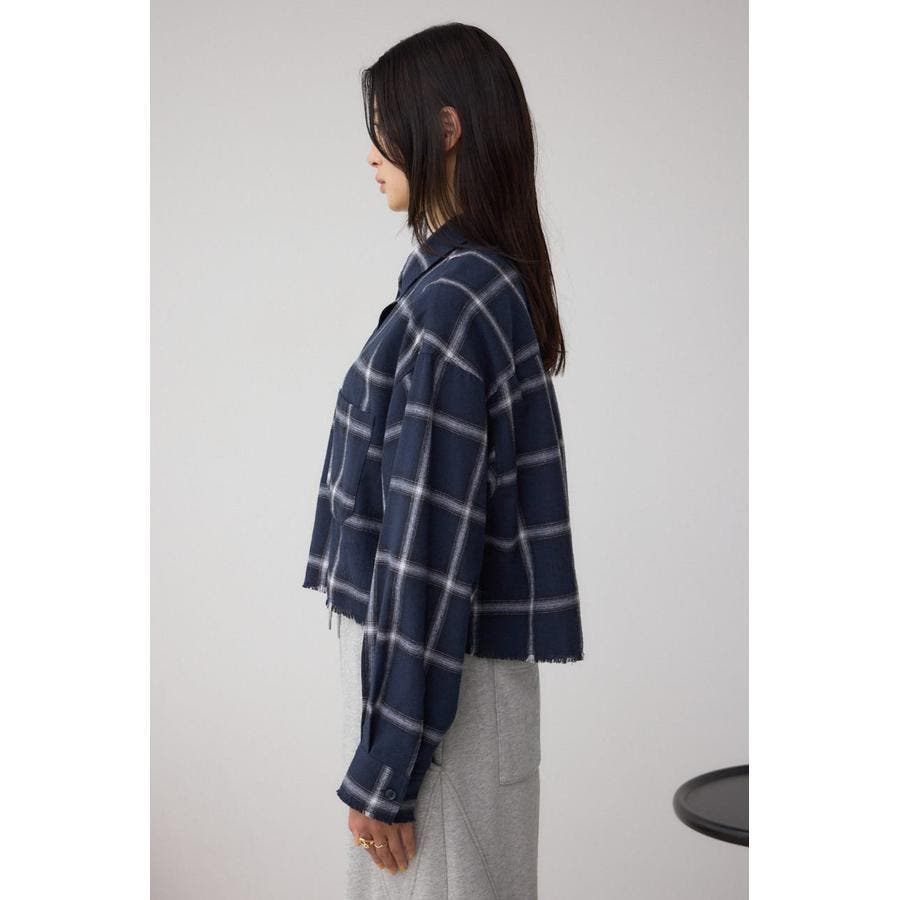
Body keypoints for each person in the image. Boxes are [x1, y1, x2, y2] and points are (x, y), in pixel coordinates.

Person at [302, 22, 585, 899]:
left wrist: (388, 768)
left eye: (384, 125)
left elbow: (424, 550)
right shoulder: (473, 287)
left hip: (438, 719)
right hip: (451, 703)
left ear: (447, 127)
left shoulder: (453, 304)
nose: (371, 151)